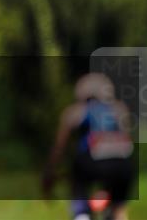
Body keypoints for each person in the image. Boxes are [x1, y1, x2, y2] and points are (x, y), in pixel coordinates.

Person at [42, 73, 135, 220]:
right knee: (117, 205)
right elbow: (128, 139)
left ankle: (82, 213)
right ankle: (116, 213)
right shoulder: (119, 109)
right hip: (122, 165)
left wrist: (50, 172)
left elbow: (59, 148)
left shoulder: (76, 111)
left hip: (90, 164)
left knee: (78, 184)